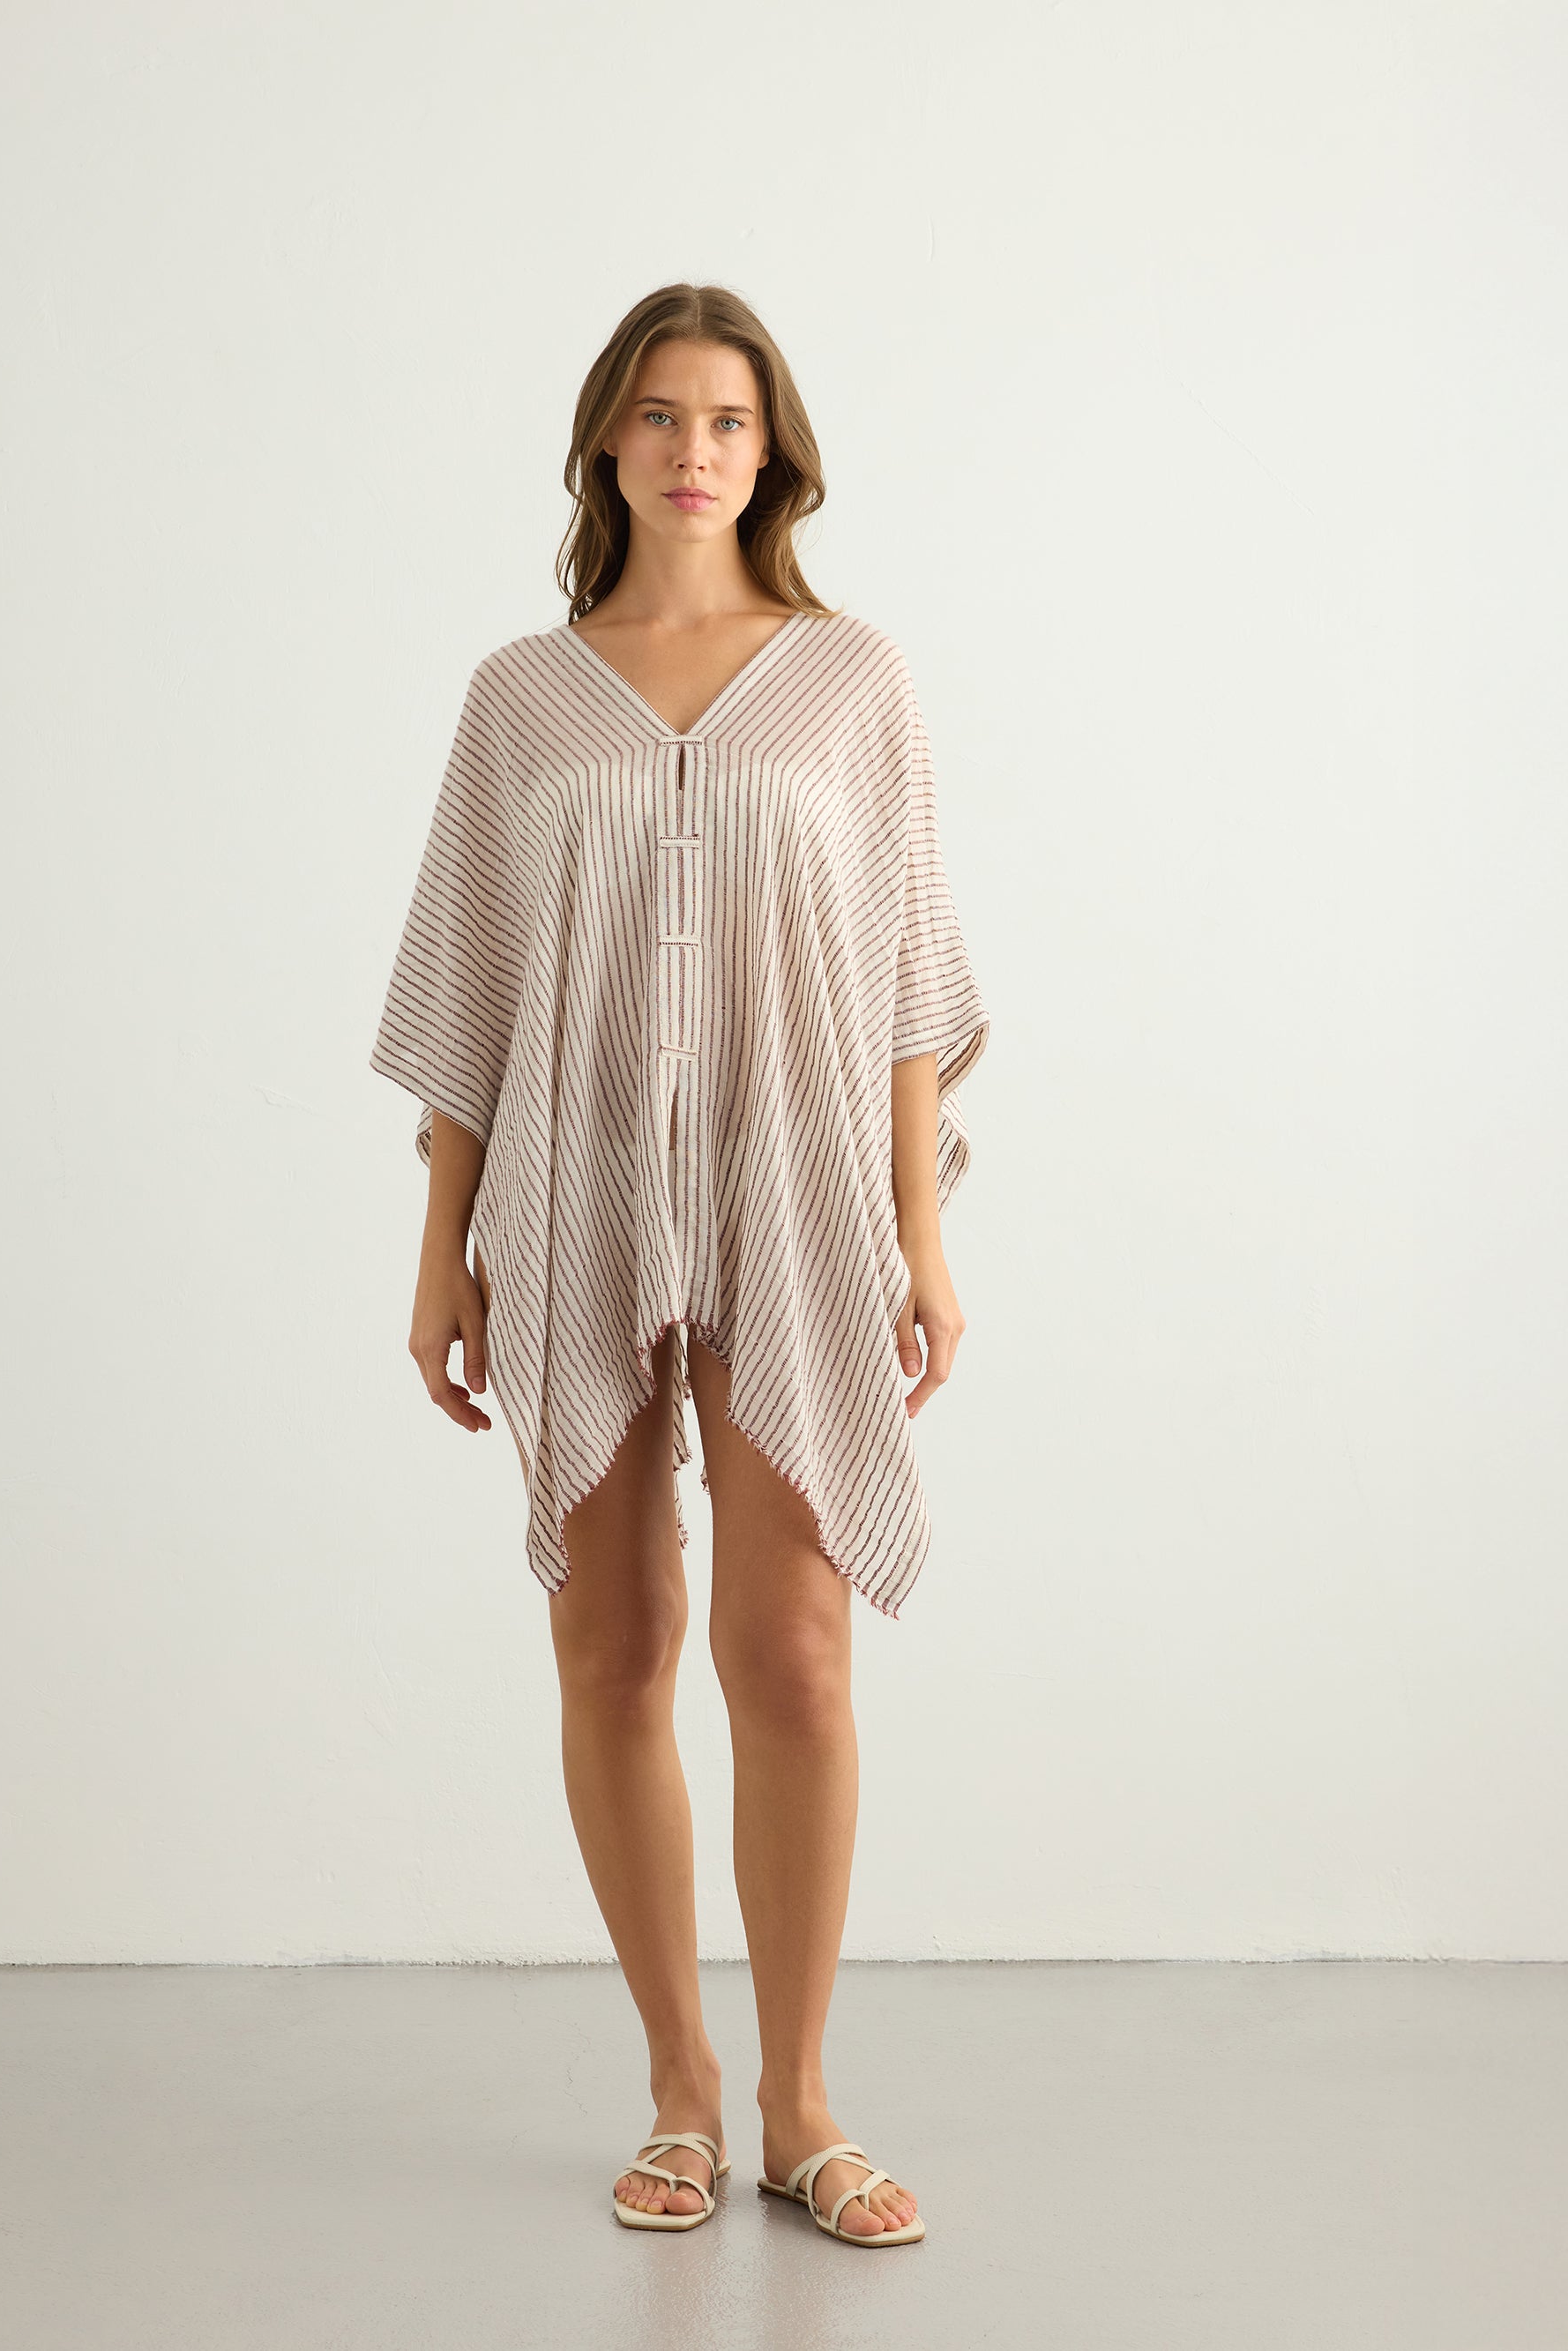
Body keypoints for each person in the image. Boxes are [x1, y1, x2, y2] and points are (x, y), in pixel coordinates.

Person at [369, 283, 989, 2246]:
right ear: (604, 444)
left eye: (726, 418)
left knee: (789, 1647)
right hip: (572, 1197)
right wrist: (440, 1250)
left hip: (798, 1199)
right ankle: (680, 2091)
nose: (692, 449)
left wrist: (921, 1234)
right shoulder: (522, 698)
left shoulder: (852, 679)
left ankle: (802, 2104)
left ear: (771, 449)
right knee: (614, 1642)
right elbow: (469, 986)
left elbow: (908, 976)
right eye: (657, 414)